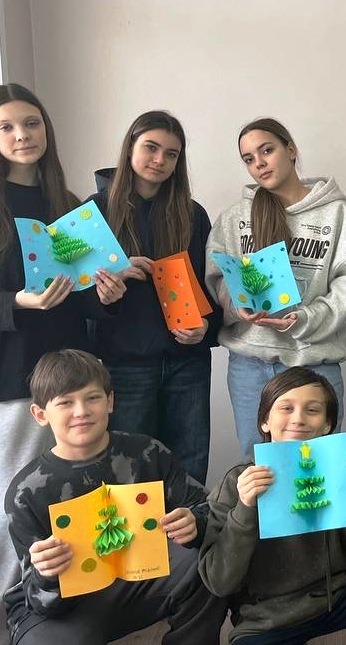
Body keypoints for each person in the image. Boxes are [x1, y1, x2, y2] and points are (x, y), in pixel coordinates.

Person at [0, 84, 125, 638]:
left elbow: (83, 295)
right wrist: (18, 302)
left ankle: (66, 596)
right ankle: (15, 605)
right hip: (13, 376)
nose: (22, 135)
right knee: (16, 495)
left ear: (47, 129)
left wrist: (106, 294)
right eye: (6, 127)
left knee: (72, 488)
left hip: (70, 374)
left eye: (32, 123)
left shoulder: (70, 205)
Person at [3, 349, 226, 644]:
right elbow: (39, 600)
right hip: (63, 608)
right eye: (66, 402)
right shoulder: (25, 492)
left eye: (92, 398)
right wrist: (47, 573)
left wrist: (195, 521)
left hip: (135, 583)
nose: (81, 411)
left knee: (212, 559)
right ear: (40, 414)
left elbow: (206, 508)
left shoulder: (148, 452)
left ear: (110, 401)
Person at [199, 367, 346, 644]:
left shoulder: (344, 470)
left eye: (312, 410)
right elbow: (219, 581)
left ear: (328, 424)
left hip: (340, 596)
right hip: (268, 620)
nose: (298, 419)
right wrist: (245, 509)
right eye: (286, 408)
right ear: (265, 421)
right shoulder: (237, 482)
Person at [206, 118, 346, 458]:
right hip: (250, 364)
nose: (259, 163)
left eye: (267, 151)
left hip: (312, 363)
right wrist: (237, 306)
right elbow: (217, 277)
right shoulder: (235, 218)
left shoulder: (334, 213)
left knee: (319, 467)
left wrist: (304, 318)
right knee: (258, 469)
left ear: (290, 150)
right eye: (249, 159)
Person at [90, 110, 221, 484]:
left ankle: (187, 526)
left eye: (171, 154)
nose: (160, 160)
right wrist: (110, 281)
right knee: (128, 470)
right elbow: (78, 296)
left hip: (188, 363)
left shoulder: (192, 214)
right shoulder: (96, 211)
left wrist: (206, 327)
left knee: (189, 464)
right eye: (151, 147)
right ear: (130, 148)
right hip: (125, 363)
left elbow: (212, 288)